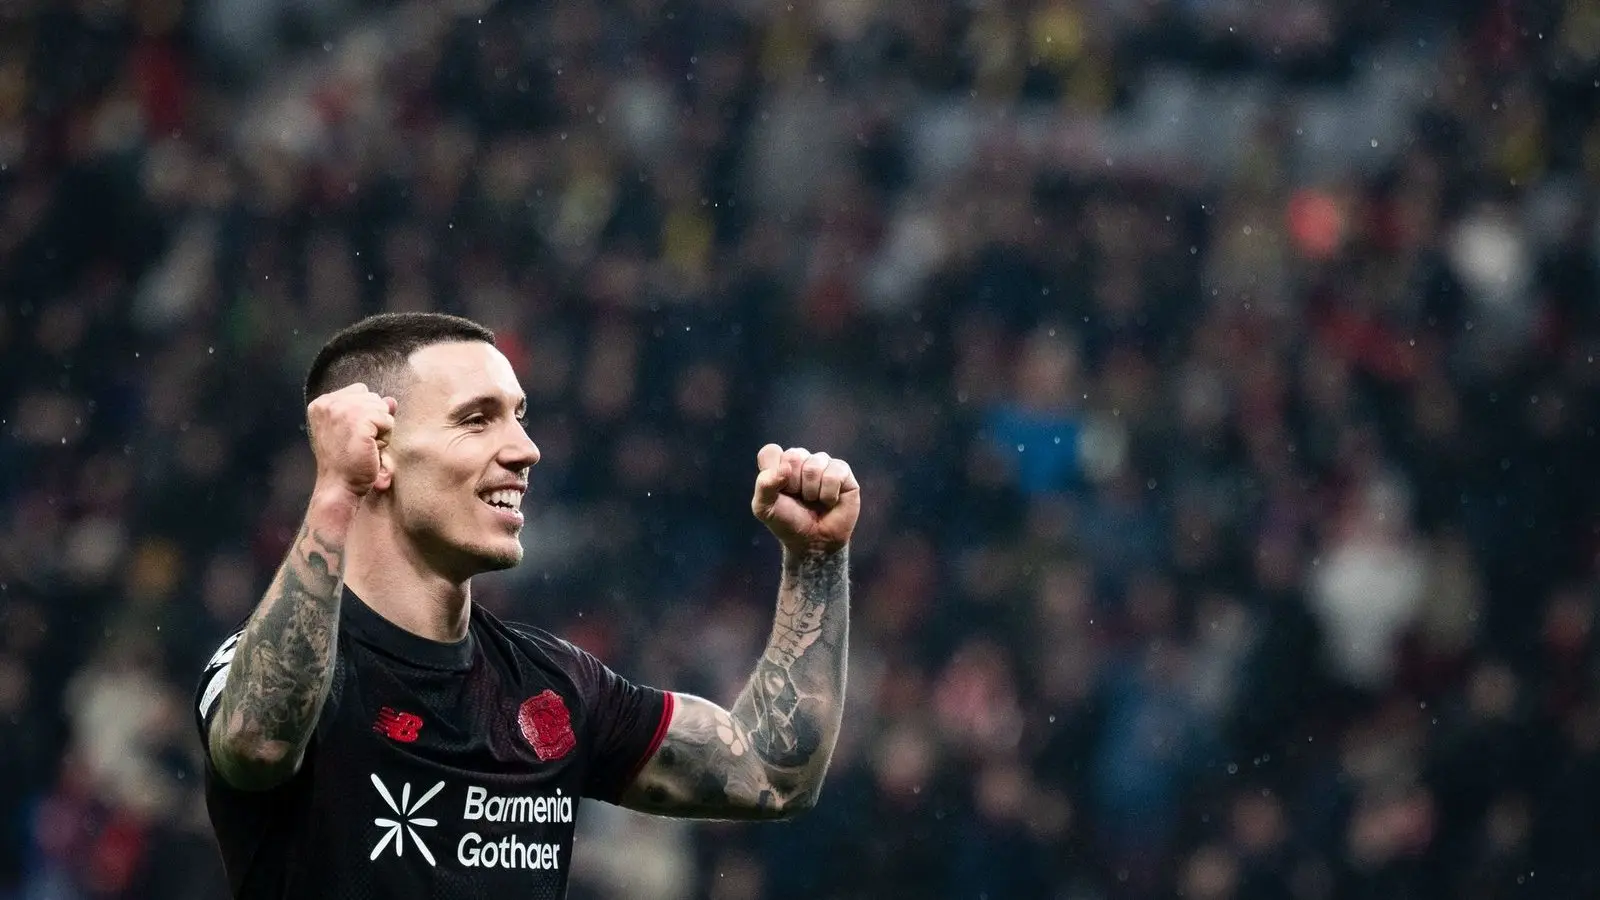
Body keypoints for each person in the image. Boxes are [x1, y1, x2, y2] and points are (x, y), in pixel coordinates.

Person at [193, 312, 857, 898]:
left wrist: (816, 558)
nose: (524, 449)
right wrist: (336, 491)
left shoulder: (553, 688)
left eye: (519, 416)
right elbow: (258, 741)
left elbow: (771, 771)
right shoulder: (281, 669)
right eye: (477, 420)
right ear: (379, 453)